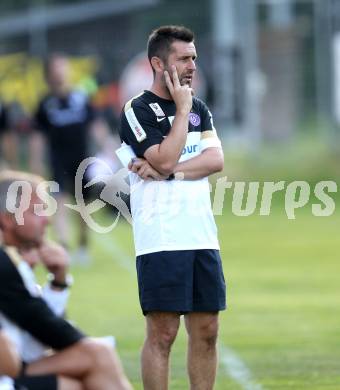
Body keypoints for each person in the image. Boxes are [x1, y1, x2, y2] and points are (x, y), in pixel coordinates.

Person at [119, 25, 226, 389]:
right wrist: (180, 112)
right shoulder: (137, 109)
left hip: (201, 235)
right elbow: (161, 159)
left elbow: (214, 160)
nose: (192, 65)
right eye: (183, 58)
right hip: (161, 238)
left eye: (194, 57)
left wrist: (172, 175)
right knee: (163, 334)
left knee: (207, 330)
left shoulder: (199, 107)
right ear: (158, 63)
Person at [0, 170, 132, 390]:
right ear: (7, 219)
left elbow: (38, 331)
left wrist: (57, 282)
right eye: (37, 211)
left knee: (80, 375)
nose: (47, 221)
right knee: (97, 355)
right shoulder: (5, 265)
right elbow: (49, 335)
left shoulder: (11, 260)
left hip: (13, 367)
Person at [31, 53, 98, 261]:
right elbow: (38, 135)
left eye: (64, 67)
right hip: (57, 158)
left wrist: (109, 145)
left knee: (83, 205)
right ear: (49, 74)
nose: (61, 71)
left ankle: (82, 244)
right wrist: (36, 160)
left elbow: (95, 125)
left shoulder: (81, 96)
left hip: (81, 157)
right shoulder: (45, 103)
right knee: (59, 200)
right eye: (57, 67)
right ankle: (63, 245)